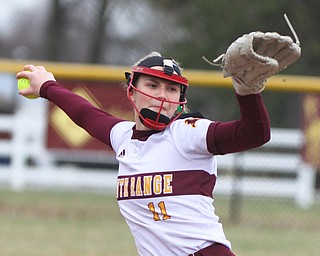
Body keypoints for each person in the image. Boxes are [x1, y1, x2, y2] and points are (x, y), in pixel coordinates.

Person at [16, 51, 271, 256]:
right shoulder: (123, 137)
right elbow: (85, 114)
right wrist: (47, 86)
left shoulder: (188, 133)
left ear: (180, 99)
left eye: (172, 89)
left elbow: (254, 134)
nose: (162, 95)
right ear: (132, 91)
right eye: (152, 85)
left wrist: (247, 92)